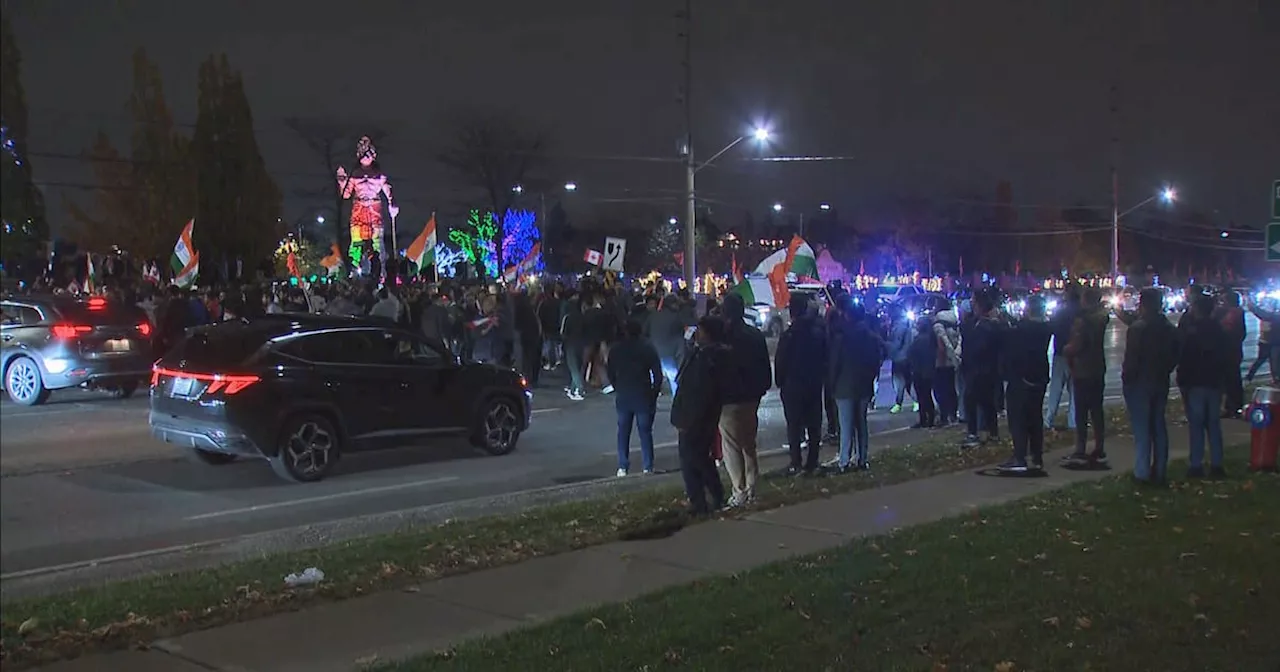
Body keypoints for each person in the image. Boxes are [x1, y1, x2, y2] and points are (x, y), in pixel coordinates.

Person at [1118, 288, 1181, 484]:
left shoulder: (1138, 329)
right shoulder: (1169, 328)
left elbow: (1132, 359)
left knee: (1142, 430)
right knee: (1158, 426)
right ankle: (1160, 470)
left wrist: (1127, 379)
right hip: (1159, 380)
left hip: (1139, 383)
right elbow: (1175, 355)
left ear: (1142, 304)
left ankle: (1142, 472)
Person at [718, 293, 773, 506]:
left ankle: (739, 490)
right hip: (752, 395)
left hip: (731, 398)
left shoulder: (725, 336)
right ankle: (751, 486)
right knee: (748, 443)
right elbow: (763, 365)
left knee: (731, 445)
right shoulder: (754, 335)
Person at [670, 316, 728, 515]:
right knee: (699, 459)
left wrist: (688, 419)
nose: (697, 335)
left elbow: (699, 392)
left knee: (693, 460)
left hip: (696, 419)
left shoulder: (709, 358)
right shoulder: (701, 353)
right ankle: (711, 497)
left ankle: (701, 500)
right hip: (696, 417)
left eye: (701, 332)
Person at [775, 293, 829, 475]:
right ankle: (812, 461)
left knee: (794, 426)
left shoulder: (789, 335)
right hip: (813, 384)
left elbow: (781, 362)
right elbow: (825, 358)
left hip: (793, 386)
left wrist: (781, 382)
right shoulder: (817, 332)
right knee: (814, 425)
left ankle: (796, 462)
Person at [829, 300, 886, 472]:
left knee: (845, 425)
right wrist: (871, 378)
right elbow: (876, 362)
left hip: (844, 386)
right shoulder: (871, 337)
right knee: (861, 423)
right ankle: (862, 458)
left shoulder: (842, 337)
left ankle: (844, 461)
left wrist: (831, 384)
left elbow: (835, 363)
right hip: (863, 386)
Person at [998, 295, 1052, 472]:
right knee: (1035, 418)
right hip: (1040, 376)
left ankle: (1019, 456)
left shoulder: (1022, 330)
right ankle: (1037, 456)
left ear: (1028, 309)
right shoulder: (1045, 327)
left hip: (1021, 378)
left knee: (1018, 418)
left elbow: (1009, 341)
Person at [1177, 293, 1228, 478]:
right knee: (1213, 425)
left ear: (1197, 309)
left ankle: (1196, 464)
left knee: (1196, 425)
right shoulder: (1219, 330)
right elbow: (1225, 358)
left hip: (1196, 383)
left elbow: (1185, 358)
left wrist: (1182, 380)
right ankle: (1217, 464)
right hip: (1214, 382)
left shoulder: (1193, 331)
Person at [606, 320, 663, 477]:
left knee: (623, 431)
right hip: (643, 394)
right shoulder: (647, 348)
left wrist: (617, 386)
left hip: (624, 394)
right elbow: (657, 373)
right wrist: (654, 391)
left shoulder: (616, 349)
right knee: (645, 431)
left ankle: (623, 466)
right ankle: (647, 465)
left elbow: (610, 371)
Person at [1061, 288, 1110, 466]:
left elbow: (1076, 345)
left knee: (1081, 412)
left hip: (1082, 369)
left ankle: (1080, 448)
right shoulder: (1101, 318)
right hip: (1097, 368)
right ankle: (1099, 446)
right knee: (1097, 410)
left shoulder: (1083, 321)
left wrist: (1066, 349)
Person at [961, 289, 1004, 448]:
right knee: (983, 403)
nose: (971, 303)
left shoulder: (988, 325)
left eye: (973, 300)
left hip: (982, 369)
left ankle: (977, 433)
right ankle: (988, 433)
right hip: (979, 369)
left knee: (976, 401)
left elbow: (980, 348)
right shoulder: (975, 322)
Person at [643, 295, 689, 396]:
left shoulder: (653, 315)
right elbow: (683, 333)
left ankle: (648, 397)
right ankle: (676, 399)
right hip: (669, 353)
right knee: (673, 377)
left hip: (653, 351)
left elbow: (644, 331)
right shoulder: (676, 317)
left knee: (652, 376)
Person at [1214, 290, 1246, 418]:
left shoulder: (1234, 313)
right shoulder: (1237, 312)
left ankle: (1234, 407)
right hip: (1233, 351)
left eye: (1224, 301)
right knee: (1231, 380)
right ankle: (1232, 406)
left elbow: (1224, 328)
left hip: (1229, 352)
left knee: (1231, 381)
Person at [932, 301, 962, 426]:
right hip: (953, 360)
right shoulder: (955, 322)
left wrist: (950, 355)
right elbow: (960, 339)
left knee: (941, 389)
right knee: (951, 388)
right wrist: (956, 356)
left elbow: (943, 342)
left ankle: (944, 417)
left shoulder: (938, 323)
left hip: (942, 360)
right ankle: (953, 414)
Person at [907, 316, 938, 429]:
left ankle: (924, 419)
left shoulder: (919, 339)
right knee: (927, 395)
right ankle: (929, 418)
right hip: (928, 370)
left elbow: (911, 353)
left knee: (922, 396)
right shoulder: (930, 338)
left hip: (919, 371)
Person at [886, 305, 916, 414]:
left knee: (900, 382)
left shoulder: (899, 327)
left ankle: (900, 403)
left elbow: (896, 344)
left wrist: (886, 345)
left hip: (900, 357)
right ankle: (914, 402)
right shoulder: (905, 325)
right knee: (907, 382)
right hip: (905, 357)